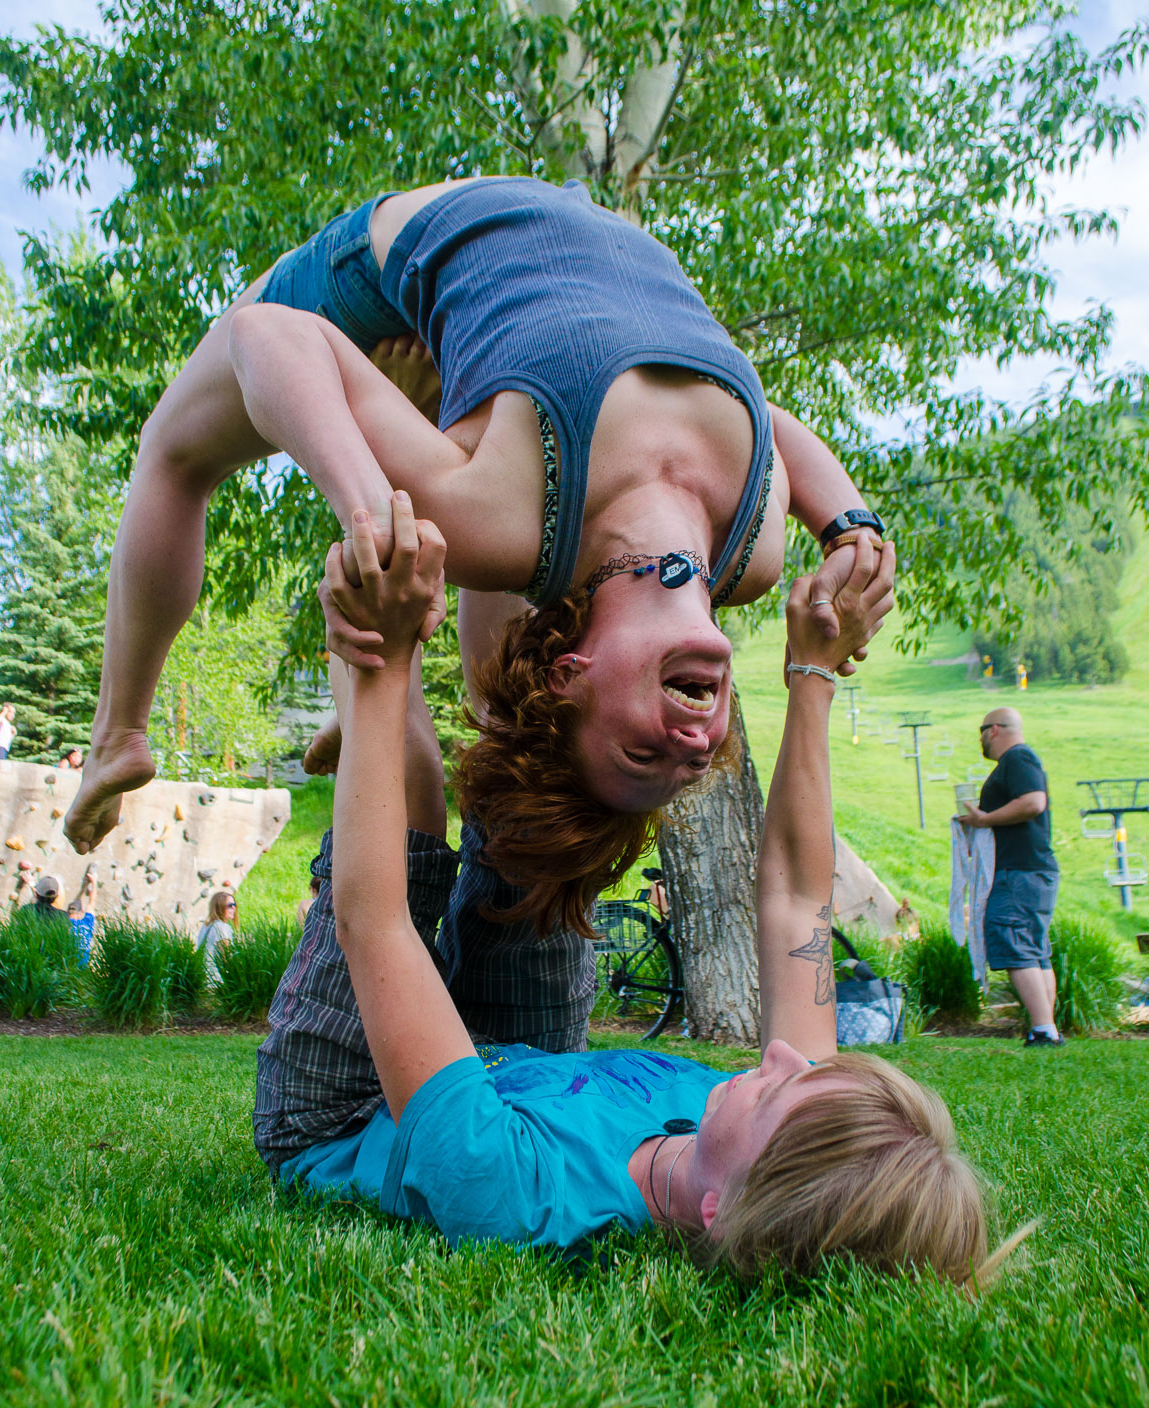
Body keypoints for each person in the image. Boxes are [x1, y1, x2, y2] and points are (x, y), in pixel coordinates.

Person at [66, 176, 890, 930]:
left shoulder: (491, 509)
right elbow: (763, 417)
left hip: (417, 247)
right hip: (558, 250)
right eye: (691, 767)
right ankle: (139, 730)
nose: (692, 747)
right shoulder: (751, 552)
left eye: (645, 753)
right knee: (494, 546)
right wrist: (853, 525)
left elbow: (267, 335)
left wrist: (372, 509)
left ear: (572, 673)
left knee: (173, 451)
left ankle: (120, 732)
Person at [257, 499, 996, 1281]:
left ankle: (374, 607)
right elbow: (798, 901)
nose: (784, 1055)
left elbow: (375, 921)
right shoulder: (782, 1118)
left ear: (721, 1208)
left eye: (783, 1091)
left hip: (356, 1111)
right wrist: (813, 669)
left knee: (411, 773)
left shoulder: (516, 1191)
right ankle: (480, 472)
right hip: (526, 1070)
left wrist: (384, 662)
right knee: (537, 803)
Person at [960, 708, 1063, 1048]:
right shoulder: (1021, 760)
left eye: (980, 731)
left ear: (994, 730)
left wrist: (985, 820)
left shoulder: (1018, 758)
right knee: (1034, 950)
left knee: (1015, 942)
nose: (980, 740)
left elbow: (1033, 802)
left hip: (1018, 871)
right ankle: (1046, 1028)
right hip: (1033, 869)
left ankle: (1043, 1030)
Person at [196, 890, 238, 987]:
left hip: (202, 979)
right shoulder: (222, 927)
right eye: (230, 905)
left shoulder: (207, 925)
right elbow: (226, 957)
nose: (234, 908)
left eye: (234, 904)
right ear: (220, 907)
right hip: (215, 982)